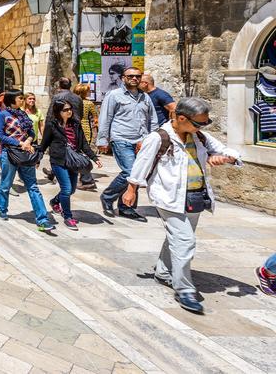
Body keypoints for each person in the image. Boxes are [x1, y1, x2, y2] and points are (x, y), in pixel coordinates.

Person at [124, 97, 240, 314]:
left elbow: (228, 151)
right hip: (168, 197)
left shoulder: (200, 136)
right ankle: (184, 289)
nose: (202, 127)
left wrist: (226, 159)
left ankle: (164, 272)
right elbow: (141, 164)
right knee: (185, 241)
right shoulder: (159, 138)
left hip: (195, 197)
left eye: (205, 123)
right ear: (181, 118)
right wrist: (131, 190)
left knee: (176, 238)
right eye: (198, 123)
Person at [99, 66, 158, 221]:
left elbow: (153, 120)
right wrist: (103, 140)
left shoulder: (145, 98)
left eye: (137, 76)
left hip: (142, 141)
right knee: (131, 172)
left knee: (137, 174)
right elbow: (105, 118)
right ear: (123, 78)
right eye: (130, 76)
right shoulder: (114, 95)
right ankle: (107, 196)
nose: (134, 78)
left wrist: (153, 140)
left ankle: (127, 207)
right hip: (121, 139)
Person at [0, 90, 55, 232]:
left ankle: (42, 219)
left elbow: (32, 133)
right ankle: (1, 208)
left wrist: (28, 141)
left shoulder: (24, 115)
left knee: (33, 186)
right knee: (6, 184)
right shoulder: (3, 115)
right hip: (9, 154)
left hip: (25, 154)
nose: (22, 100)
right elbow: (0, 135)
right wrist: (19, 143)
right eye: (20, 98)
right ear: (12, 100)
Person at [42, 100, 101, 230]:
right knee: (67, 189)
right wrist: (37, 158)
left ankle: (55, 201)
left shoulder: (75, 124)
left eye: (70, 109)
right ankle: (68, 216)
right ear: (58, 112)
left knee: (71, 189)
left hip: (73, 161)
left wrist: (94, 157)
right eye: (66, 110)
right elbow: (44, 143)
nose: (69, 111)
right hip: (58, 160)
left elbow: (84, 143)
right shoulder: (52, 125)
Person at [74, 83, 99, 190]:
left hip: (74, 127)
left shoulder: (72, 102)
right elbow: (95, 117)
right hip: (85, 127)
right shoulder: (89, 103)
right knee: (84, 152)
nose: (89, 93)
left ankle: (84, 177)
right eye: (88, 91)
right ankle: (84, 177)